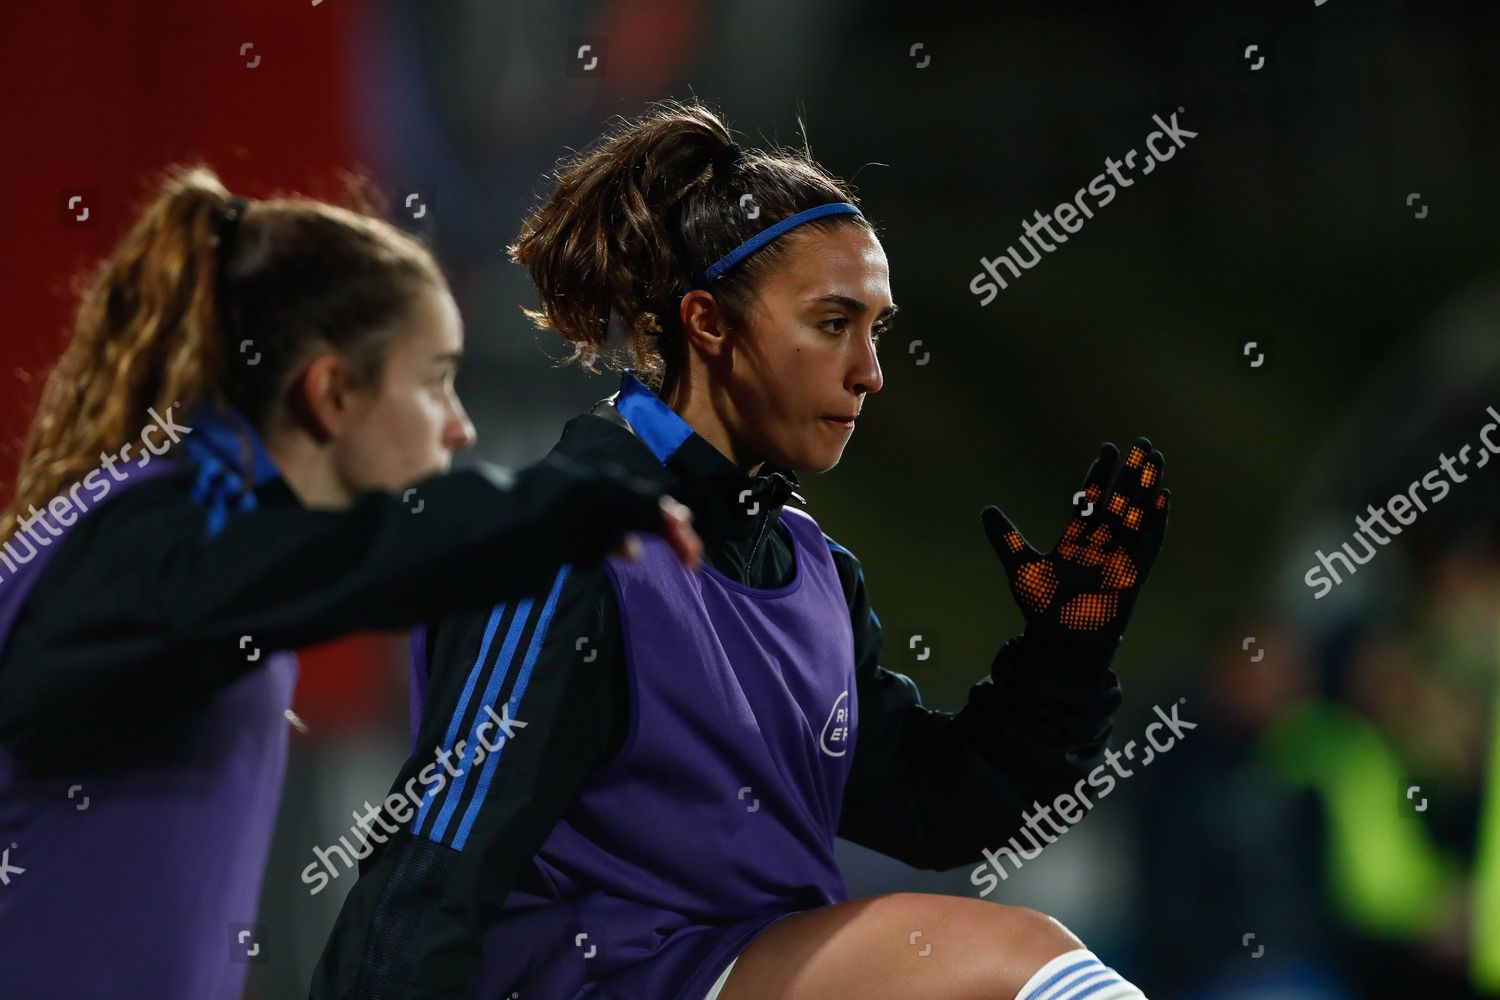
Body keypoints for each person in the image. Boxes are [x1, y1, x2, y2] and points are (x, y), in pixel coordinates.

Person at [313, 100, 1170, 1000]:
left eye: (874, 327)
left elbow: (936, 808)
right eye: (834, 323)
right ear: (708, 324)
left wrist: (1065, 655)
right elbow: (430, 872)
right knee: (1013, 961)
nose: (870, 369)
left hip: (735, 971)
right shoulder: (564, 551)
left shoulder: (809, 566)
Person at [0, 164, 698, 1000]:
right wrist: (558, 504)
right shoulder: (154, 541)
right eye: (435, 378)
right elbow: (372, 553)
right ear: (331, 392)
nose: (459, 424)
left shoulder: (188, 535)